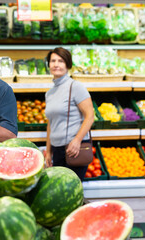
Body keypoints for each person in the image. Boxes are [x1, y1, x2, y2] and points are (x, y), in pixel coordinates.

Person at [44, 47, 94, 181]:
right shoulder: (49, 93)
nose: (56, 64)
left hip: (73, 149)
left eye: (60, 61)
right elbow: (51, 123)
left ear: (67, 65)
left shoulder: (75, 87)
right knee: (60, 192)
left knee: (72, 190)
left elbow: (90, 116)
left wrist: (77, 141)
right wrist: (48, 152)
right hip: (57, 149)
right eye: (53, 61)